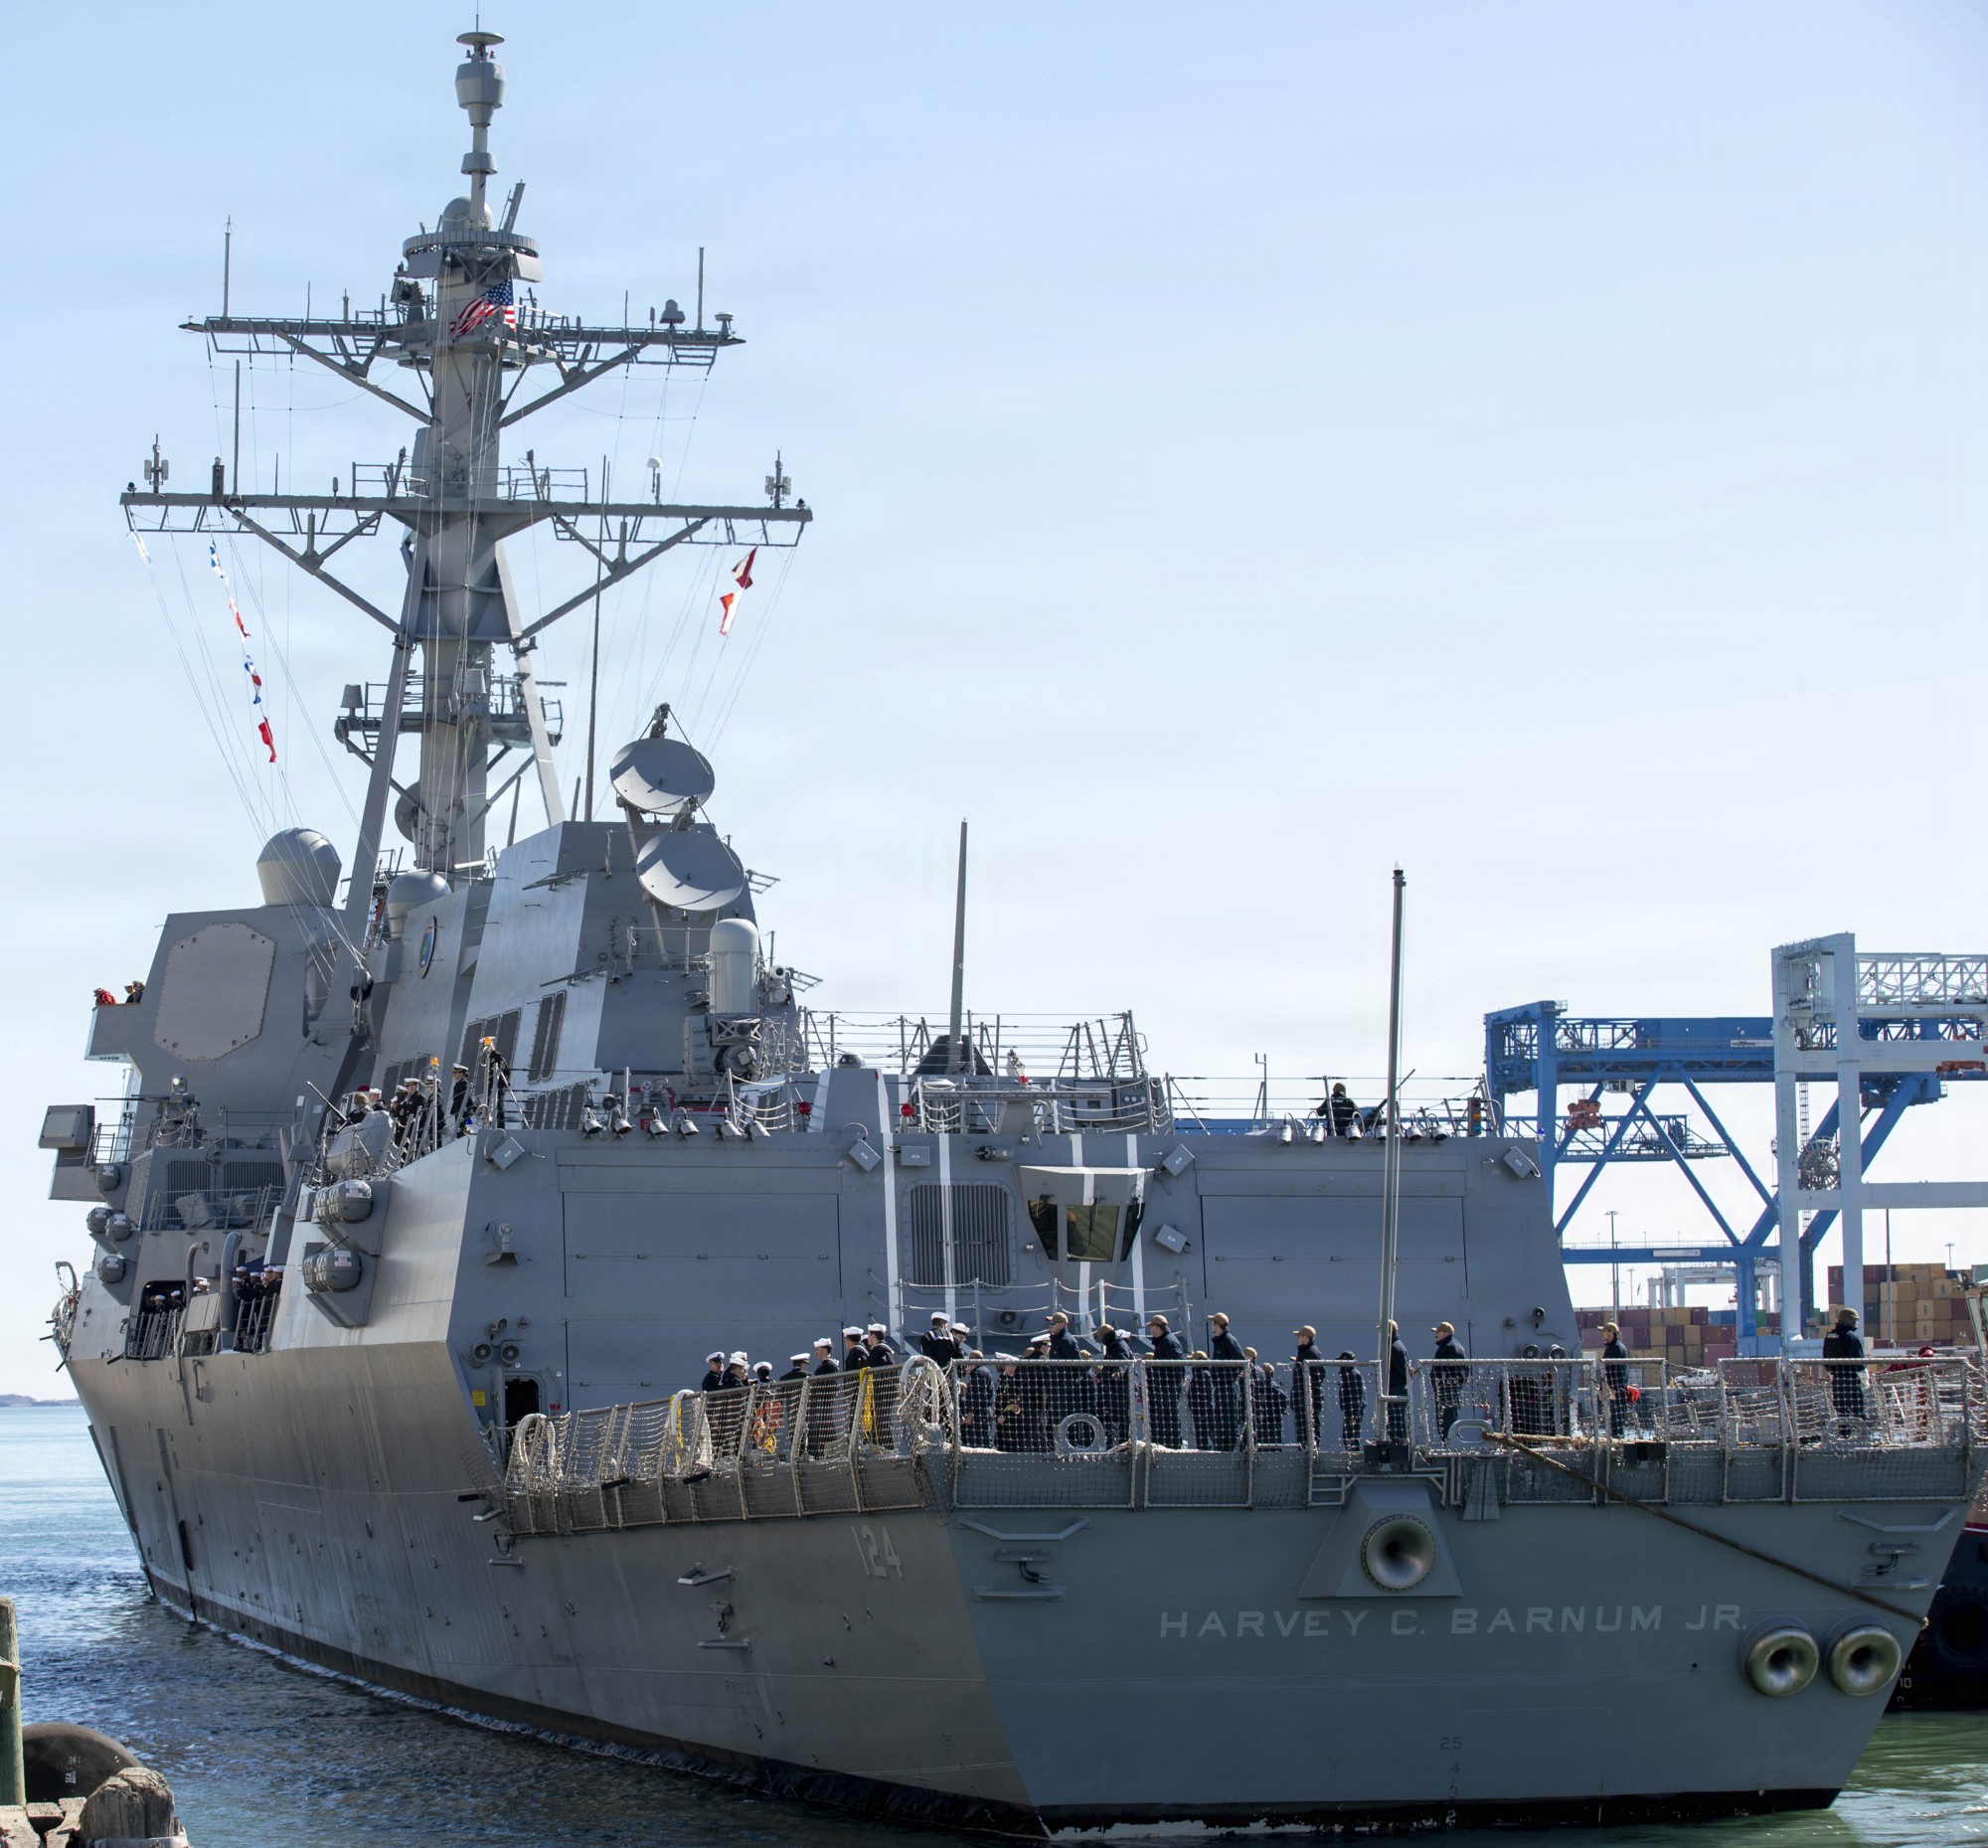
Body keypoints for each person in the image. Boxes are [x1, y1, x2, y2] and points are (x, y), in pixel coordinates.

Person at [1822, 1307, 1869, 1427]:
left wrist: (1832, 1376)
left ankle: (1843, 1438)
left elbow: (1826, 1359)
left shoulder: (1829, 1336)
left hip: (1837, 1381)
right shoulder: (1850, 1337)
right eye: (1855, 1321)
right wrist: (1865, 1380)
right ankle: (1864, 1438)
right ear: (1849, 1321)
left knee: (1842, 1413)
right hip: (1851, 1381)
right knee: (1859, 1412)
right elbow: (1858, 1361)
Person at [1208, 1312, 1246, 1449]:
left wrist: (1229, 1375)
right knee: (1220, 1421)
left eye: (1213, 1323)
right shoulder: (1219, 1342)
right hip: (1219, 1387)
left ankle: (1232, 1452)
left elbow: (1242, 1361)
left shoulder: (1229, 1340)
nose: (1211, 1325)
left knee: (1229, 1422)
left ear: (1217, 1325)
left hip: (1228, 1387)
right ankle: (1222, 1450)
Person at [1146, 1313, 1185, 1446]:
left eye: (1151, 1326)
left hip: (1168, 1386)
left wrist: (1177, 1382)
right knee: (1164, 1419)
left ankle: (1174, 1447)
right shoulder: (1163, 1341)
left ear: (1157, 1327)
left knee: (1170, 1419)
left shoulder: (1169, 1341)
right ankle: (1164, 1445)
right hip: (1163, 1386)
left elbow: (1177, 1364)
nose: (1151, 1329)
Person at [1430, 1321, 1469, 1440]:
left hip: (1448, 1389)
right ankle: (1451, 1443)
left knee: (1447, 1420)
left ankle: (1452, 1445)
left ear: (1446, 1333)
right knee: (1448, 1418)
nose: (1436, 1335)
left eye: (1438, 1332)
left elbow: (1454, 1370)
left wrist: (1442, 1383)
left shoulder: (1449, 1347)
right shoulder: (1453, 1346)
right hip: (1450, 1388)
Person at [1292, 1325, 1325, 1447]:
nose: (1298, 1339)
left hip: (1308, 1397)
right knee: (1306, 1425)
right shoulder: (1308, 1352)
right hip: (1305, 1396)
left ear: (1306, 1337)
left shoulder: (1310, 1353)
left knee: (1309, 1426)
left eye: (1299, 1336)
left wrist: (1306, 1392)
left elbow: (1320, 1374)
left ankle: (1310, 1450)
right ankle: (1308, 1448)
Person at [1598, 1320, 1632, 1437]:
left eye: (1604, 1332)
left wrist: (1612, 1389)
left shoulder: (1616, 1348)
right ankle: (1615, 1440)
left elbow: (1616, 1371)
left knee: (1616, 1421)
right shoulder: (1613, 1347)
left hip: (1616, 1391)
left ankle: (1617, 1443)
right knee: (1615, 1420)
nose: (1602, 1334)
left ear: (1611, 1332)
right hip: (1614, 1390)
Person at [1253, 1360, 1288, 1446]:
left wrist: (1279, 1411)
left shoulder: (1271, 1385)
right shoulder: (1265, 1385)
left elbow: (1284, 1398)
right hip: (1267, 1420)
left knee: (1273, 1445)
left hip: (1272, 1421)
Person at [1337, 1351, 1367, 1449]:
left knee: (1351, 1438)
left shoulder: (1352, 1375)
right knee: (1348, 1437)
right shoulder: (1349, 1374)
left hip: (1352, 1412)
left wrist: (1353, 1415)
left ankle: (1354, 1458)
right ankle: (1352, 1456)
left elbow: (1356, 1397)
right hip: (1349, 1411)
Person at [1386, 1322, 1409, 1444]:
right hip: (1395, 1387)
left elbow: (1403, 1369)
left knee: (1396, 1417)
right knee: (1393, 1417)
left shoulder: (1395, 1347)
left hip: (1397, 1387)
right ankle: (1395, 1440)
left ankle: (1399, 1442)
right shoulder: (1394, 1346)